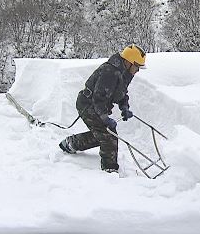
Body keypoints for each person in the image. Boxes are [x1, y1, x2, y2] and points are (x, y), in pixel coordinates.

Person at [58, 44, 146, 173]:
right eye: (137, 66)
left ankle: (71, 143)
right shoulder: (109, 72)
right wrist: (104, 118)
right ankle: (110, 170)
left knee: (102, 133)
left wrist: (124, 107)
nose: (137, 70)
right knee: (108, 136)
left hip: (96, 105)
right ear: (129, 62)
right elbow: (99, 98)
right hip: (88, 105)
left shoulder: (125, 72)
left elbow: (121, 92)